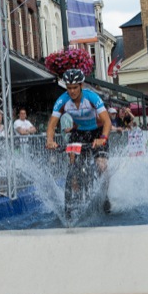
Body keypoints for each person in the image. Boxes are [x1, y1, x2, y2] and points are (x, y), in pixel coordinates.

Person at [46, 69, 112, 211]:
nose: (72, 91)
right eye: (69, 88)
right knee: (73, 161)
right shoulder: (62, 100)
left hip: (97, 132)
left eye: (75, 87)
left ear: (81, 86)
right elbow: (52, 124)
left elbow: (107, 122)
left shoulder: (91, 97)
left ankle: (105, 196)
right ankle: (74, 188)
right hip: (79, 133)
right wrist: (50, 140)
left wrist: (103, 139)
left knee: (101, 165)